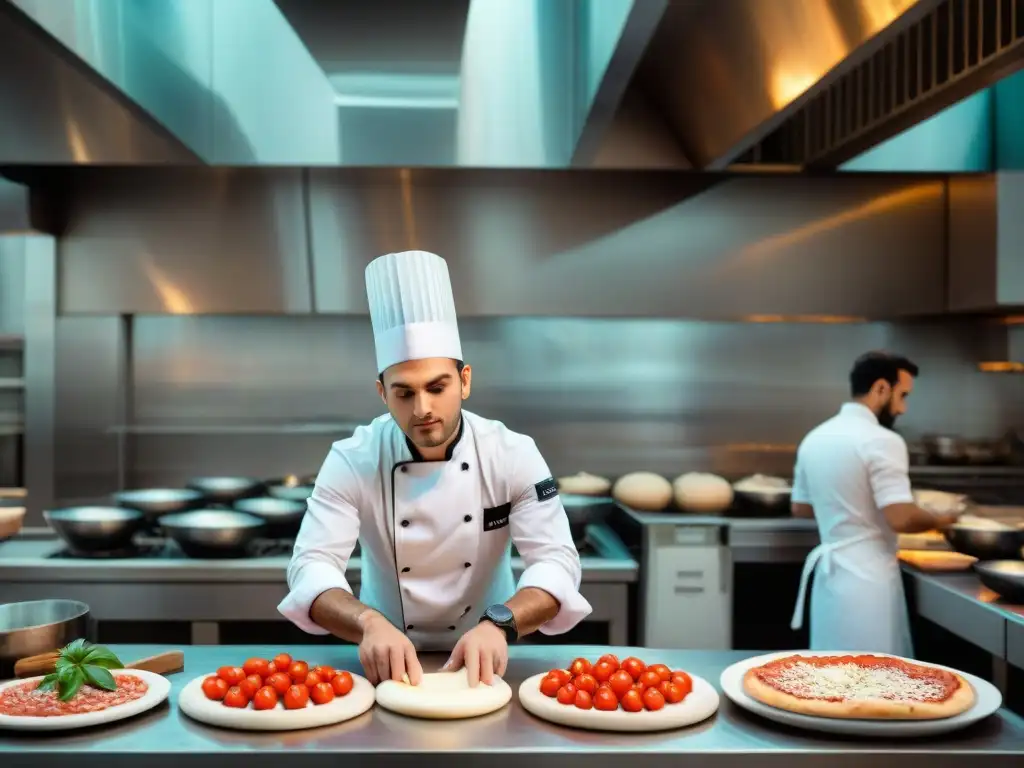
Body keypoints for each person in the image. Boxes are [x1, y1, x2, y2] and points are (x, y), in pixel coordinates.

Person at [278, 250, 591, 687]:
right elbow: (311, 565)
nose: (422, 408)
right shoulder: (353, 458)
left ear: (465, 381)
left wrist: (501, 623)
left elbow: (556, 561)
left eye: (437, 387)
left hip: (489, 659)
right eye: (404, 393)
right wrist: (367, 623)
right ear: (382, 393)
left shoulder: (512, 454)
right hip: (385, 662)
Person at [788, 351, 960, 657]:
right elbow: (901, 518)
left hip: (830, 580)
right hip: (869, 585)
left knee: (826, 673)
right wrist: (945, 519)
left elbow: (801, 508)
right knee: (875, 674)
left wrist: (847, 508)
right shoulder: (883, 440)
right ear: (881, 388)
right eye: (902, 395)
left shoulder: (814, 438)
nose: (903, 408)